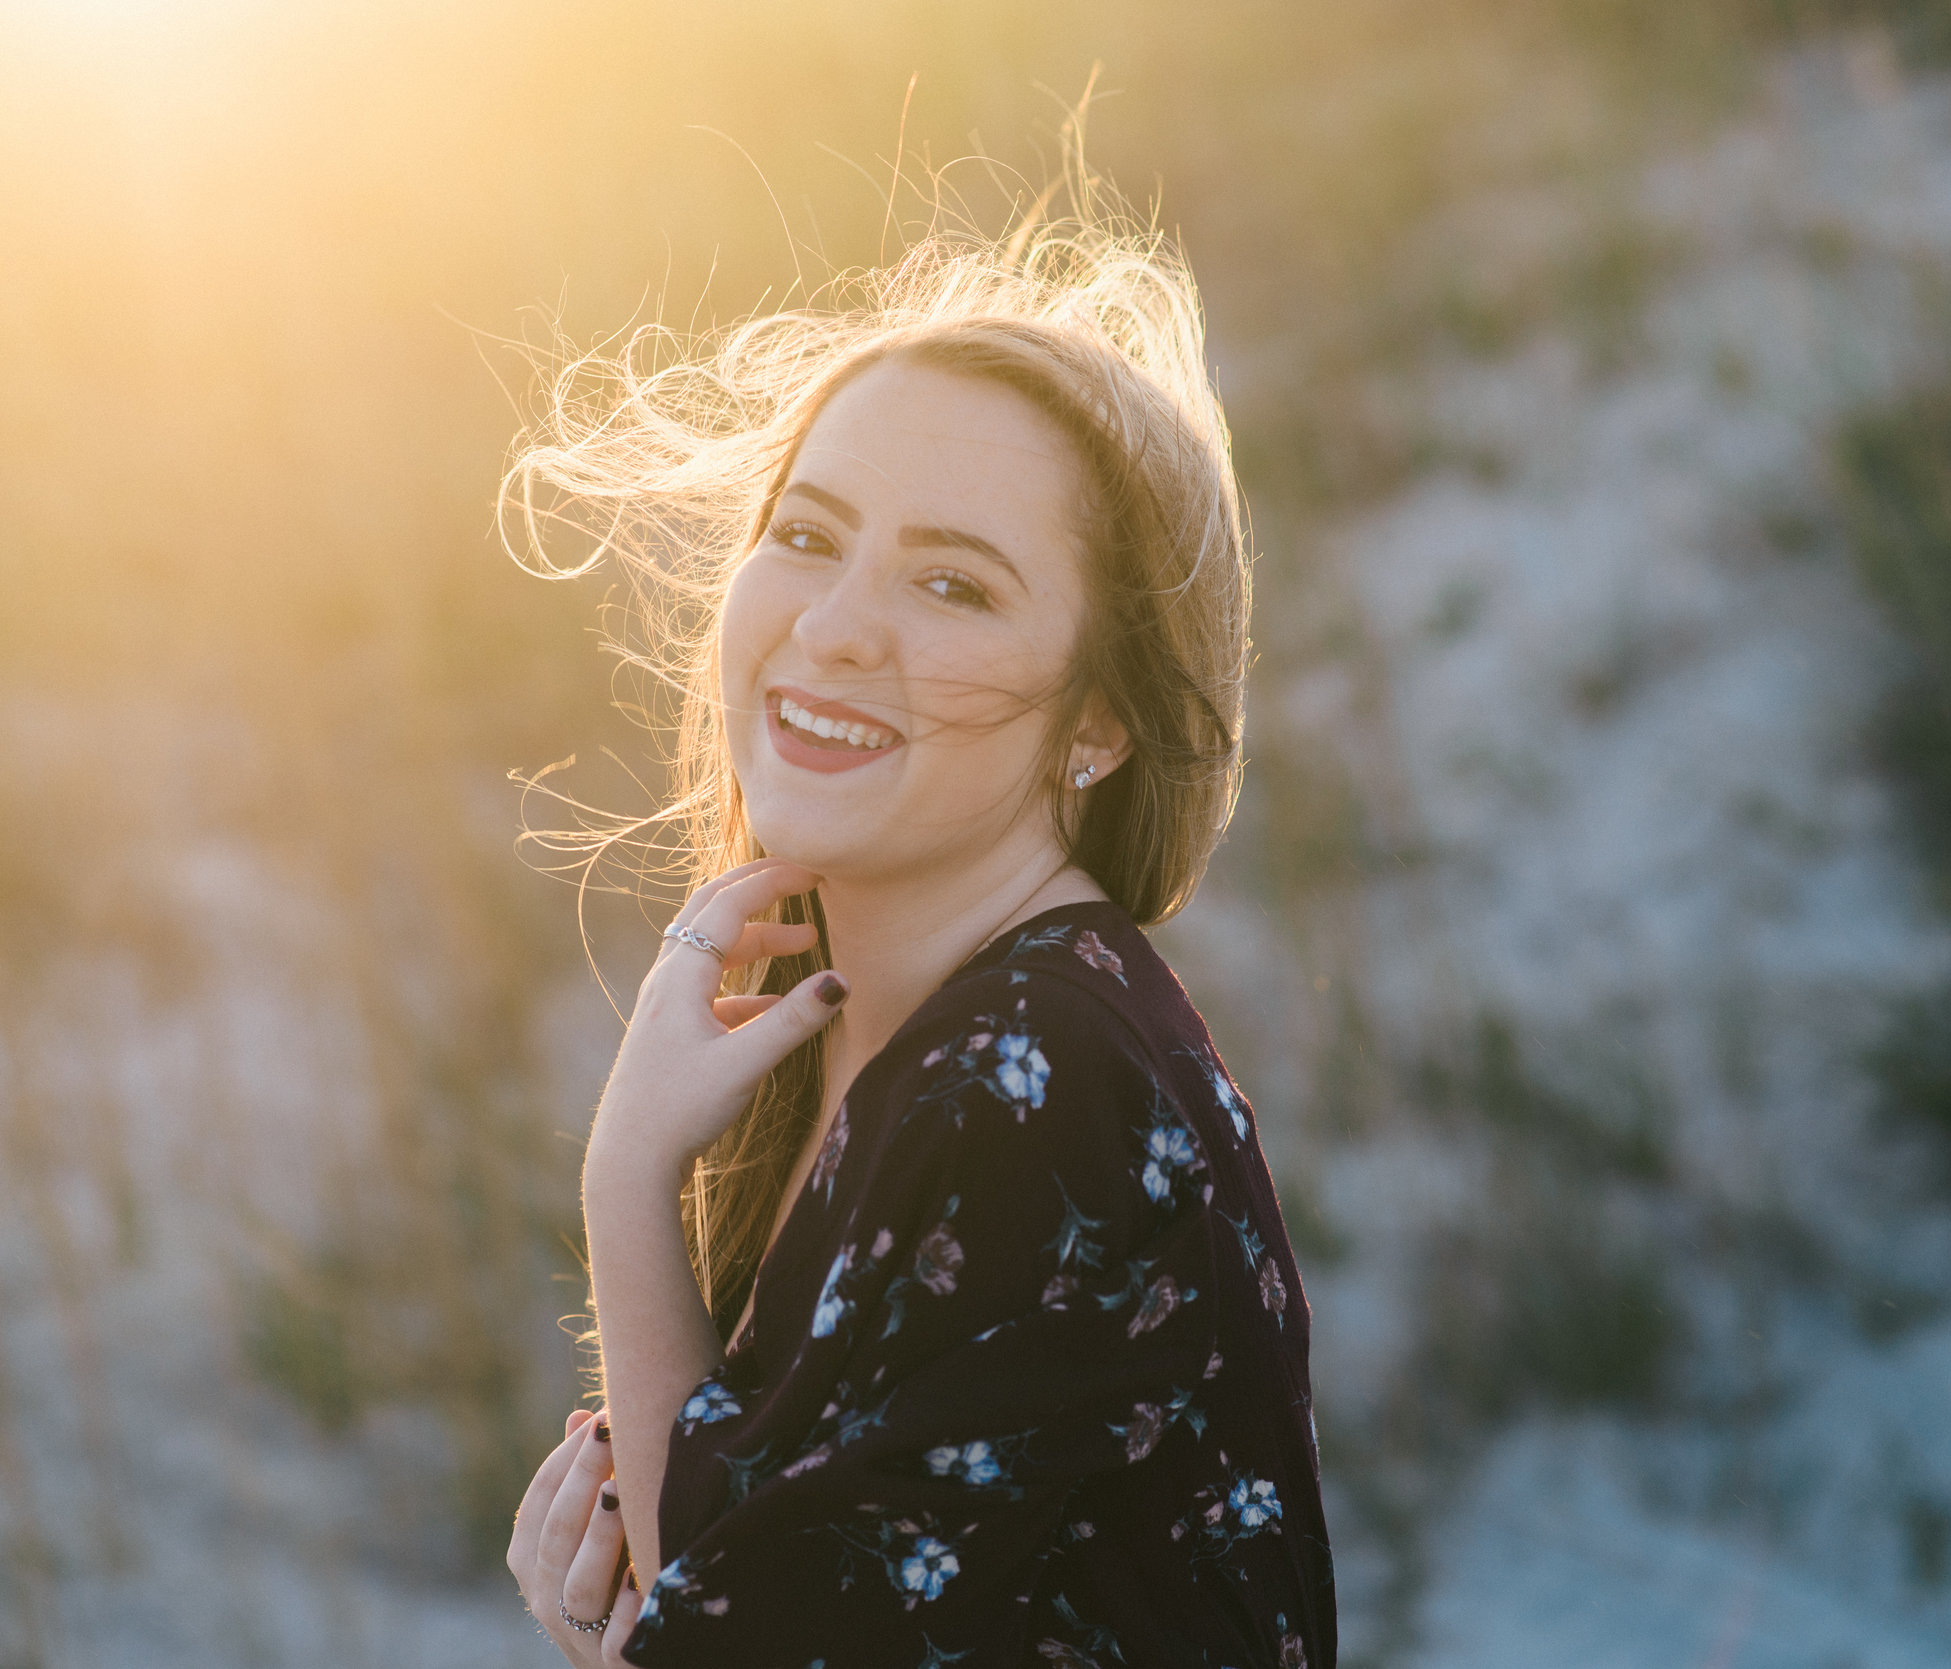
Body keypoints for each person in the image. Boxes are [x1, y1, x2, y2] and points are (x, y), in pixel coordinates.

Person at [500, 166, 1336, 1668]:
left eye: (953, 584)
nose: (833, 626)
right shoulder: (949, 1028)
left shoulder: (1035, 1078)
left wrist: (628, 1177)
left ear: (1098, 719)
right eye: (810, 536)